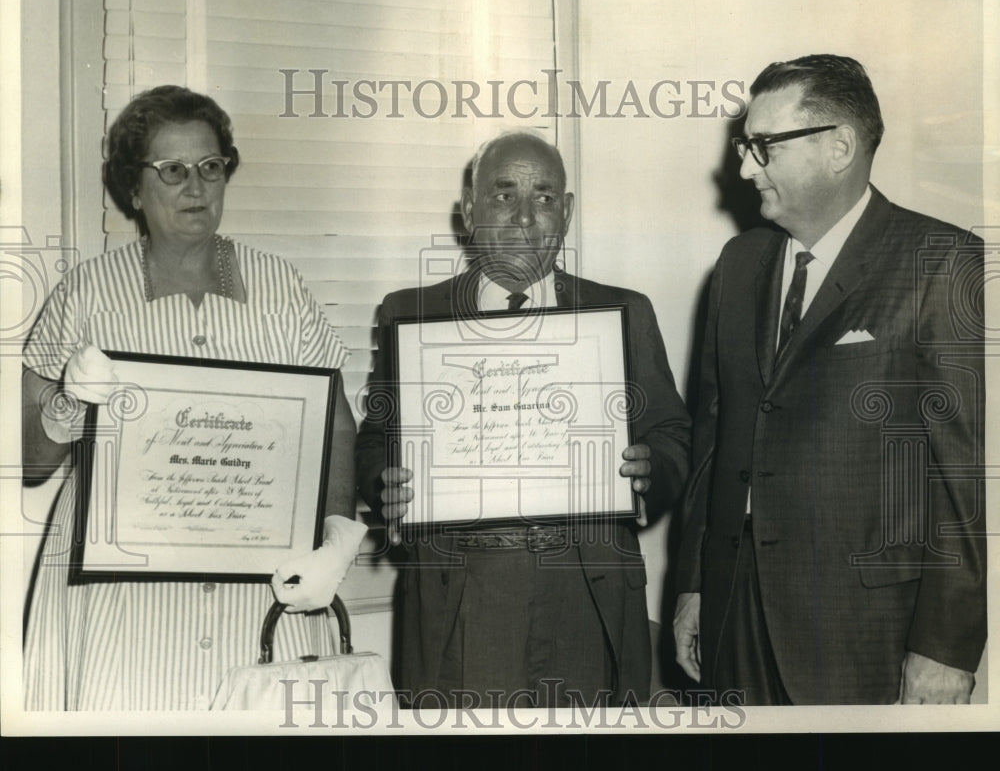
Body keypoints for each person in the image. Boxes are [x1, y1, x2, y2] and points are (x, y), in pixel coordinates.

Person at [21, 85, 365, 711]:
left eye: (211, 167)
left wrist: (336, 535)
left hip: (257, 587)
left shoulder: (280, 286)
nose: (196, 186)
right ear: (133, 188)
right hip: (121, 598)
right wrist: (68, 402)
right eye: (172, 171)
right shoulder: (87, 293)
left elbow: (335, 426)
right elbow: (32, 460)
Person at [672, 55, 986, 705]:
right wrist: (695, 584)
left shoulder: (939, 261)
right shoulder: (738, 264)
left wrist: (945, 646)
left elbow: (957, 479)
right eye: (744, 146)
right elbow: (713, 441)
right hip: (735, 607)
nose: (743, 168)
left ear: (839, 146)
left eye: (762, 147)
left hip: (861, 624)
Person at [355, 130, 691, 708]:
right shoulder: (409, 313)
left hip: (588, 590)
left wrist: (650, 468)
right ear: (469, 210)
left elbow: (673, 435)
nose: (524, 217)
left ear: (567, 213)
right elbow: (378, 437)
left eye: (543, 197)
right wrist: (384, 482)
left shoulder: (623, 312)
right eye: (504, 194)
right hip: (462, 591)